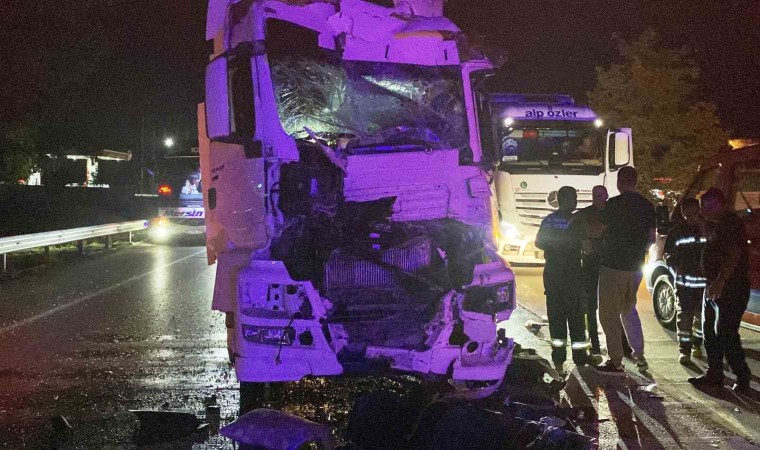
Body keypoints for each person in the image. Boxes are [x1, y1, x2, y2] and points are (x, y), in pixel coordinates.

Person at [688, 188, 752, 392]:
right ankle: (714, 374)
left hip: (731, 288)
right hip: (715, 286)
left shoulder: (729, 224)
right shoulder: (718, 225)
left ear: (719, 205)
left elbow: (734, 255)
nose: (703, 211)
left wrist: (720, 281)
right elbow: (713, 241)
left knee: (725, 333)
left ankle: (742, 376)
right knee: (709, 331)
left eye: (706, 207)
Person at [594, 166, 655, 375]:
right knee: (628, 310)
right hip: (636, 267)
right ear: (635, 182)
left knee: (608, 314)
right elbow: (651, 238)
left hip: (614, 266)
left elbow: (599, 231)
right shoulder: (647, 206)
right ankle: (639, 355)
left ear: (620, 181)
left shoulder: (613, 205)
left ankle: (616, 361)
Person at [536, 186, 588, 375]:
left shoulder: (549, 220)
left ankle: (558, 361)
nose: (575, 201)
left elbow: (539, 242)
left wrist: (555, 246)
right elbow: (586, 245)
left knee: (556, 319)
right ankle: (580, 361)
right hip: (572, 275)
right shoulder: (578, 221)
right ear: (566, 199)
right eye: (573, 198)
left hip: (553, 275)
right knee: (576, 319)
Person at [663, 198, 705, 364]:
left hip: (703, 283)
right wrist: (676, 269)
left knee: (701, 318)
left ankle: (697, 345)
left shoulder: (707, 230)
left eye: (695, 213)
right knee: (684, 318)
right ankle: (684, 351)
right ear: (683, 213)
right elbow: (668, 255)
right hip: (684, 283)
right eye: (688, 214)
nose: (692, 217)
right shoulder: (676, 232)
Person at [574, 185, 608, 365]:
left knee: (611, 308)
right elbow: (581, 234)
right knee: (591, 307)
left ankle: (618, 345)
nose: (598, 198)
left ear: (606, 195)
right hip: (590, 266)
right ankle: (595, 344)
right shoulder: (584, 214)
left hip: (608, 266)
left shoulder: (611, 213)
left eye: (601, 195)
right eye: (596, 195)